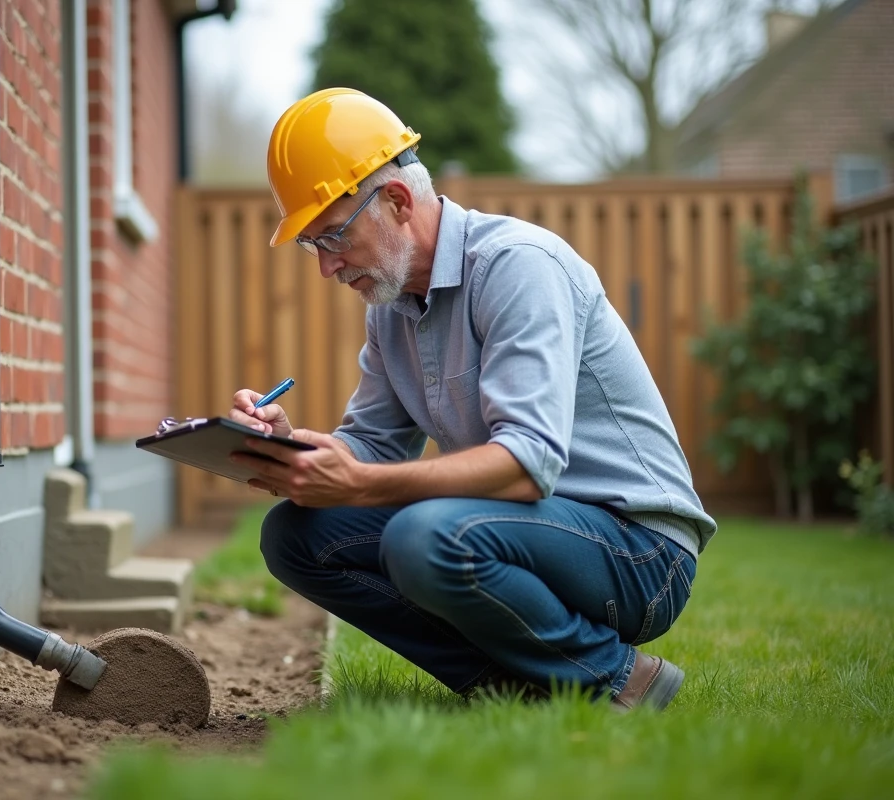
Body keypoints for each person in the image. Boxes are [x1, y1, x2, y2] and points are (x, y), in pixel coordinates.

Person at [227, 87, 717, 711]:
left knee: (422, 536)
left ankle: (616, 680)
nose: (326, 267)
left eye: (332, 237)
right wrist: (291, 451)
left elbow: (528, 463)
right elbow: (372, 446)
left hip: (638, 549)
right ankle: (512, 687)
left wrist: (357, 484)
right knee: (296, 536)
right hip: (522, 530)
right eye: (312, 246)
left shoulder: (519, 268)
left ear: (398, 201)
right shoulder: (392, 307)